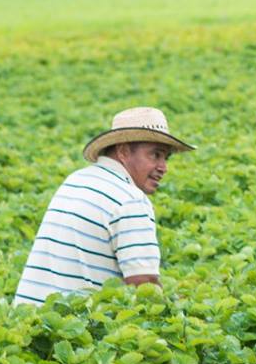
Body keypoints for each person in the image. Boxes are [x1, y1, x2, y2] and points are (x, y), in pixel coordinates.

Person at [14, 106, 195, 304]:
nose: (163, 167)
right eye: (155, 155)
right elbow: (144, 286)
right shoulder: (130, 199)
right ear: (124, 151)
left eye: (165, 158)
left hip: (26, 319)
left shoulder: (75, 180)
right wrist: (177, 310)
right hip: (75, 325)